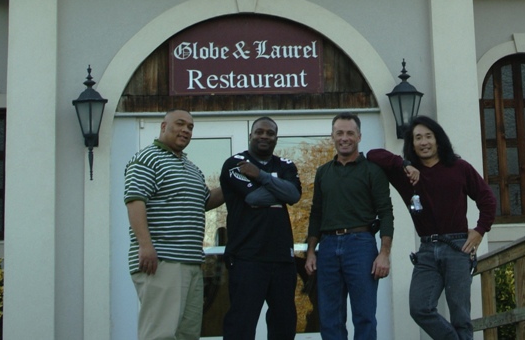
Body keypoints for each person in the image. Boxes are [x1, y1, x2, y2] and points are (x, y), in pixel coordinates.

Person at [367, 115, 496, 340]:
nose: (424, 142)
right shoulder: (405, 173)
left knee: (460, 315)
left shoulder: (459, 167)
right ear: (412, 144)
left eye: (428, 136)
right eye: (418, 138)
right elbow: (372, 154)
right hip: (426, 251)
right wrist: (404, 164)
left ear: (438, 140)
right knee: (420, 308)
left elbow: (488, 199)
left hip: (458, 247)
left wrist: (480, 230)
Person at [124, 109, 224, 340]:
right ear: (163, 126)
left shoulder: (191, 168)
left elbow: (206, 201)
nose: (186, 130)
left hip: (191, 263)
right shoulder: (146, 159)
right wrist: (145, 246)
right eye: (180, 124)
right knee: (160, 334)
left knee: (187, 335)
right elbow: (135, 201)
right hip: (162, 262)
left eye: (190, 127)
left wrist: (234, 182)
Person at [305, 112, 394, 340]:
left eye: (350, 133)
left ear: (359, 136)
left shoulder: (372, 171)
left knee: (364, 316)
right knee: (330, 317)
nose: (345, 138)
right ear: (332, 136)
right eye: (340, 133)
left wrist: (384, 253)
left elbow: (386, 213)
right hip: (327, 247)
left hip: (361, 246)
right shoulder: (323, 172)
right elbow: (316, 213)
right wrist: (311, 252)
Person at [220, 116, 302, 340]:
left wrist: (260, 175)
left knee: (284, 325)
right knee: (241, 326)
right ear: (250, 136)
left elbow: (294, 195)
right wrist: (279, 189)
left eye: (270, 133)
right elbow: (254, 197)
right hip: (247, 257)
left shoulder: (285, 165)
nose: (264, 136)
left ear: (276, 138)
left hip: (282, 259)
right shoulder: (234, 163)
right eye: (259, 132)